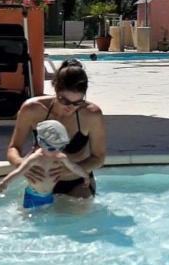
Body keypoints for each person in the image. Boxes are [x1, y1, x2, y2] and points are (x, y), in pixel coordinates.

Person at [6, 59, 107, 199]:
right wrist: (21, 164)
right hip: (41, 180)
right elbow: (13, 148)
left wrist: (71, 169)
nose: (70, 108)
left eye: (78, 102)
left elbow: (99, 157)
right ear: (55, 89)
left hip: (76, 181)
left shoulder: (91, 115)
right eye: (64, 101)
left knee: (77, 218)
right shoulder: (32, 109)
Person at [0, 120, 91, 208]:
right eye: (52, 149)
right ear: (41, 143)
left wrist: (85, 175)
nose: (56, 151)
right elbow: (19, 171)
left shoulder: (60, 156)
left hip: (49, 195)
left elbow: (74, 167)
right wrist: (4, 182)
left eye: (61, 147)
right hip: (33, 196)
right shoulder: (36, 158)